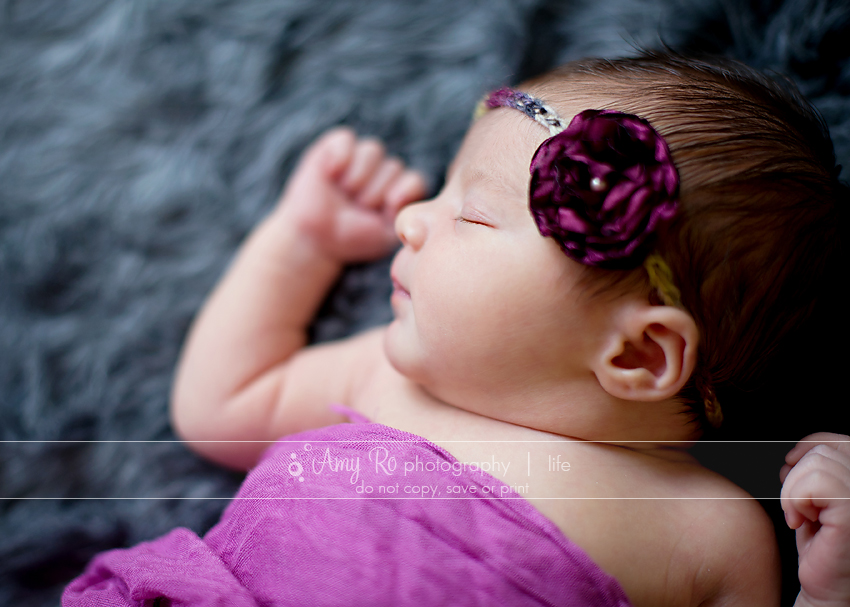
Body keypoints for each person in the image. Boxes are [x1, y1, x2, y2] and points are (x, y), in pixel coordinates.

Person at [63, 52, 847, 607]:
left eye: (470, 211)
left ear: (638, 352)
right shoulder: (388, 373)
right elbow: (221, 404)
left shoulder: (710, 530)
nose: (410, 218)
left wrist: (828, 583)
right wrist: (301, 245)